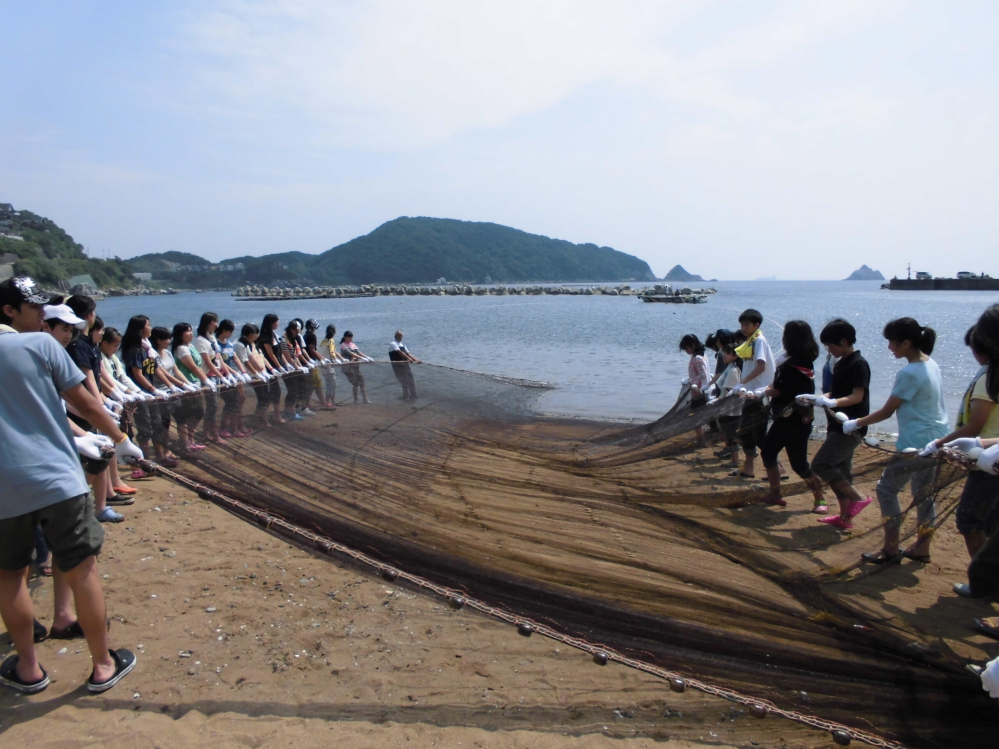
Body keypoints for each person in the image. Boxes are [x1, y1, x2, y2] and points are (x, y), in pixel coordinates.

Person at [0, 300, 141, 695]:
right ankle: (102, 664)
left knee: (10, 576)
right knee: (82, 568)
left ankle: (28, 669)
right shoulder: (41, 345)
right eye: (34, 307)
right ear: (9, 311)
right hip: (56, 478)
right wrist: (119, 438)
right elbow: (82, 401)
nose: (41, 315)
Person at [843, 318, 949, 564]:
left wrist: (855, 423)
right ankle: (922, 548)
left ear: (906, 343)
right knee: (924, 495)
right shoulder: (930, 363)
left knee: (886, 490)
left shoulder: (909, 372)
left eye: (891, 342)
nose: (889, 347)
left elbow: (887, 412)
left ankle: (890, 549)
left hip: (915, 444)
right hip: (936, 440)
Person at [922, 307, 999, 558]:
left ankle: (983, 582)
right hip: (989, 455)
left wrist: (941, 442)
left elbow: (975, 424)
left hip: (987, 462)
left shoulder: (988, 378)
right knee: (990, 523)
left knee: (970, 521)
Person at [749, 321, 826, 510]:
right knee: (768, 453)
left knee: (799, 464)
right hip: (783, 419)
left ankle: (820, 498)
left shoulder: (796, 363)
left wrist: (762, 392)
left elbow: (779, 391)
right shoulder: (798, 360)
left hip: (796, 421)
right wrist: (766, 389)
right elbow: (777, 386)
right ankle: (775, 494)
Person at [808, 319, 874, 529]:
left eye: (831, 345)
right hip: (836, 424)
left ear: (844, 341)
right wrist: (817, 398)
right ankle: (846, 517)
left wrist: (833, 402)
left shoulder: (858, 364)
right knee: (842, 470)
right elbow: (837, 394)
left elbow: (857, 396)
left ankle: (858, 498)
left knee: (821, 464)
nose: (829, 349)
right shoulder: (841, 363)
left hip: (850, 427)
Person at [120, 317, 179, 467]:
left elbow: (157, 370)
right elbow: (137, 374)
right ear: (140, 329)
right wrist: (152, 390)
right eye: (148, 325)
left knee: (157, 424)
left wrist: (170, 386)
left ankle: (159, 456)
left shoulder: (148, 349)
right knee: (144, 426)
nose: (151, 328)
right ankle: (145, 460)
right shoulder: (135, 350)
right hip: (140, 395)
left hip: (151, 395)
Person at [731, 309, 776, 478]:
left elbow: (761, 366)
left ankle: (778, 466)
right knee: (745, 432)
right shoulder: (750, 341)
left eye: (747, 325)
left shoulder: (759, 341)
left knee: (759, 435)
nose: (743, 328)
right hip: (748, 394)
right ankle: (749, 468)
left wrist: (741, 382)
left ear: (756, 325)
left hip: (759, 395)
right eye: (742, 324)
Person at [194, 313, 228, 444]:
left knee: (213, 406)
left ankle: (207, 432)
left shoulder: (212, 339)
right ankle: (213, 434)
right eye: (215, 322)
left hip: (216, 375)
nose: (217, 324)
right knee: (212, 406)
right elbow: (207, 362)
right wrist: (220, 376)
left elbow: (218, 358)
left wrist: (227, 374)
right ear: (208, 323)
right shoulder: (201, 340)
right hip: (208, 376)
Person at [216, 319, 250, 438]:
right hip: (222, 378)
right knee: (231, 402)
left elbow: (235, 358)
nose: (231, 333)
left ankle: (235, 427)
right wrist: (233, 373)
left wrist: (243, 372)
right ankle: (224, 427)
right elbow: (221, 363)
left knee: (238, 401)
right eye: (230, 331)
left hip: (232, 378)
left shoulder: (229, 344)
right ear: (224, 330)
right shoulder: (216, 344)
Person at [712, 344, 743, 472]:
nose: (724, 355)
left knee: (731, 434)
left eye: (728, 353)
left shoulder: (733, 370)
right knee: (727, 432)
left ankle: (735, 461)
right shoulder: (729, 368)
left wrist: (719, 401)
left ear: (735, 356)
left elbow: (729, 390)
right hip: (727, 407)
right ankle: (731, 456)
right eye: (724, 352)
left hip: (731, 409)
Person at [258, 314, 288, 424]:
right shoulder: (265, 337)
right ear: (271, 323)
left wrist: (285, 364)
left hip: (276, 367)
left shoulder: (274, 335)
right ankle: (263, 416)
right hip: (269, 368)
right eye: (276, 321)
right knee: (272, 392)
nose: (278, 323)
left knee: (276, 392)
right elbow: (270, 355)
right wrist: (278, 367)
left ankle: (272, 415)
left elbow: (279, 352)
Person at [340, 331, 372, 404]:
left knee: (362, 382)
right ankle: (356, 400)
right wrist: (362, 358)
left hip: (356, 367)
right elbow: (350, 353)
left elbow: (358, 352)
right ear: (345, 337)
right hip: (348, 368)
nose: (350, 338)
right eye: (348, 337)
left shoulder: (352, 344)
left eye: (351, 337)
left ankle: (365, 399)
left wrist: (366, 357)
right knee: (356, 383)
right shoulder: (343, 345)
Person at [318, 324, 345, 408]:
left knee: (330, 383)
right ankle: (328, 402)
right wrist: (335, 359)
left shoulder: (323, 341)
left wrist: (342, 358)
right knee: (331, 384)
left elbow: (334, 351)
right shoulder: (331, 341)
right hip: (328, 365)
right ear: (335, 332)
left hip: (322, 364)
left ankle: (331, 400)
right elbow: (332, 352)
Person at [389, 330, 421, 400]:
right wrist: (409, 359)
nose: (400, 337)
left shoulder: (403, 345)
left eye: (401, 336)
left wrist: (416, 360)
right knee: (404, 381)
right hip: (397, 366)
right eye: (399, 335)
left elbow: (408, 353)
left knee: (411, 379)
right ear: (395, 336)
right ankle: (406, 396)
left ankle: (413, 395)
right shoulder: (393, 343)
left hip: (405, 365)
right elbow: (399, 352)